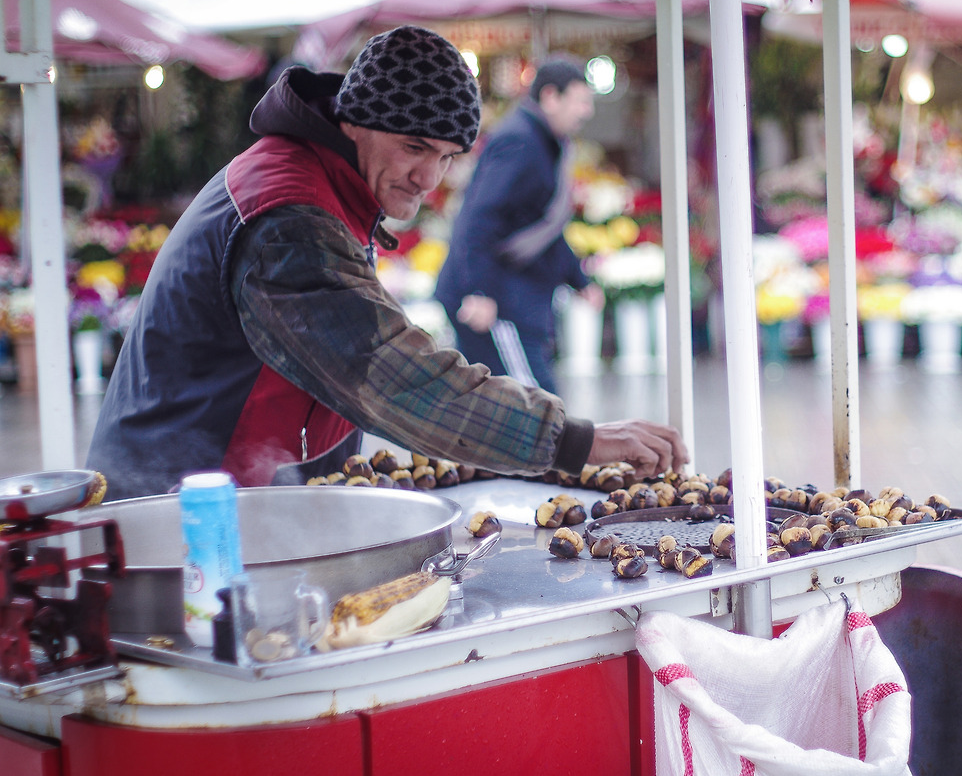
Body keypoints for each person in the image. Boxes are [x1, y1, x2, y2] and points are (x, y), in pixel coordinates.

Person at [88, 27, 686, 501]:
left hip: (242, 485)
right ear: (354, 123)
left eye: (448, 157)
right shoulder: (287, 216)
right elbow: (388, 374)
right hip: (180, 501)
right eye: (414, 147)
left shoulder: (326, 181)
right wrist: (580, 440)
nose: (430, 178)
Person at [434, 57, 603, 395]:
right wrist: (479, 291)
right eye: (581, 101)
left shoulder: (543, 142)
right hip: (497, 301)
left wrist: (579, 279)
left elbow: (539, 226)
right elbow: (479, 217)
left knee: (518, 412)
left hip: (515, 299)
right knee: (537, 409)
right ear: (551, 97)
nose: (586, 112)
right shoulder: (521, 141)